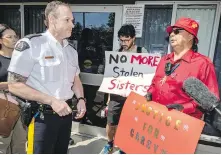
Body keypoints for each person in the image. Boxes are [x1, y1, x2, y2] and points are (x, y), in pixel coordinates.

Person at [7, 1, 86, 154]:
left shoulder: (71, 51)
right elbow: (14, 85)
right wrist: (51, 100)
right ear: (52, 20)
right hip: (41, 117)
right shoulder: (32, 45)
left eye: (73, 20)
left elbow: (75, 79)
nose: (73, 25)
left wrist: (81, 99)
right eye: (67, 20)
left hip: (66, 115)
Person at [146, 17, 219, 119]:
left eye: (176, 32)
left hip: (183, 123)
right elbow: (154, 83)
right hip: (157, 118)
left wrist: (183, 108)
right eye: (171, 32)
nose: (171, 34)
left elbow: (211, 99)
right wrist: (149, 93)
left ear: (190, 36)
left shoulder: (203, 63)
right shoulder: (164, 60)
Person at [100, 24, 148, 154]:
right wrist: (108, 99)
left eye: (126, 40)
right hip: (116, 95)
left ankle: (124, 147)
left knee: (130, 123)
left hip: (134, 96)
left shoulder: (141, 52)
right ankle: (109, 143)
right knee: (111, 123)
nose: (123, 43)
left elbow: (148, 75)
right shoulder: (116, 54)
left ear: (133, 38)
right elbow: (111, 77)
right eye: (121, 40)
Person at [0, 24, 27, 154]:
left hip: (21, 107)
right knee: (2, 144)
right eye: (9, 37)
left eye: (15, 36)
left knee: (20, 144)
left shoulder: (21, 59)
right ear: (0, 40)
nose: (14, 39)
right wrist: (11, 85)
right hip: (2, 107)